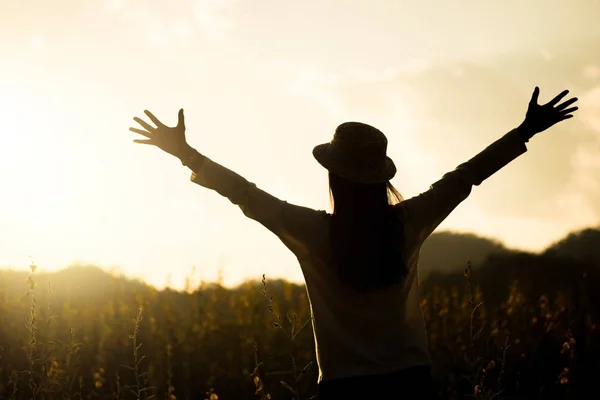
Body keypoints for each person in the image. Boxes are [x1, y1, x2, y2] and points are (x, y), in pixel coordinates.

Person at [128, 86, 578, 399]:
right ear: (381, 176)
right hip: (412, 386)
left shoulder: (310, 231)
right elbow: (465, 177)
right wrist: (524, 131)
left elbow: (245, 193)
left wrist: (185, 152)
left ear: (333, 175)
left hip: (344, 390)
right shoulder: (409, 222)